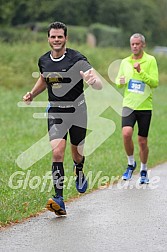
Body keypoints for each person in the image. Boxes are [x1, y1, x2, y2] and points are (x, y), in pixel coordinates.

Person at [23, 21, 102, 216]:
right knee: (57, 152)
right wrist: (33, 94)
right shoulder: (43, 60)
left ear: (66, 38)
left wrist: (94, 82)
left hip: (78, 112)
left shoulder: (77, 58)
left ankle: (79, 168)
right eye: (53, 36)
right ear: (48, 38)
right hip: (56, 112)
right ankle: (59, 199)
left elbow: (96, 81)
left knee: (77, 153)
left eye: (60, 37)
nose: (56, 40)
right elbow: (44, 78)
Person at [116, 33, 159, 184]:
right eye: (132, 44)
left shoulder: (150, 60)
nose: (135, 46)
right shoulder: (125, 62)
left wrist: (141, 71)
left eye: (137, 44)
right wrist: (119, 81)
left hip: (145, 106)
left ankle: (143, 170)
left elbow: (154, 83)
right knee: (126, 133)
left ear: (143, 45)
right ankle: (130, 163)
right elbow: (119, 81)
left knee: (142, 141)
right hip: (129, 104)